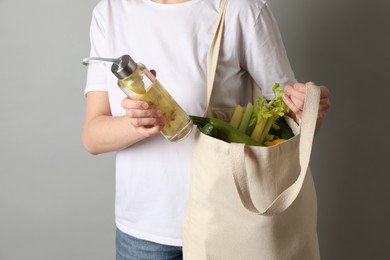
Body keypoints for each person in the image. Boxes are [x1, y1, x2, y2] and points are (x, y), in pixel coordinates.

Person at [82, 0, 331, 259]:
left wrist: (308, 109)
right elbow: (92, 137)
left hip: (229, 224)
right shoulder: (110, 12)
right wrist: (137, 122)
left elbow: (288, 121)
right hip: (143, 234)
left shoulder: (239, 9)